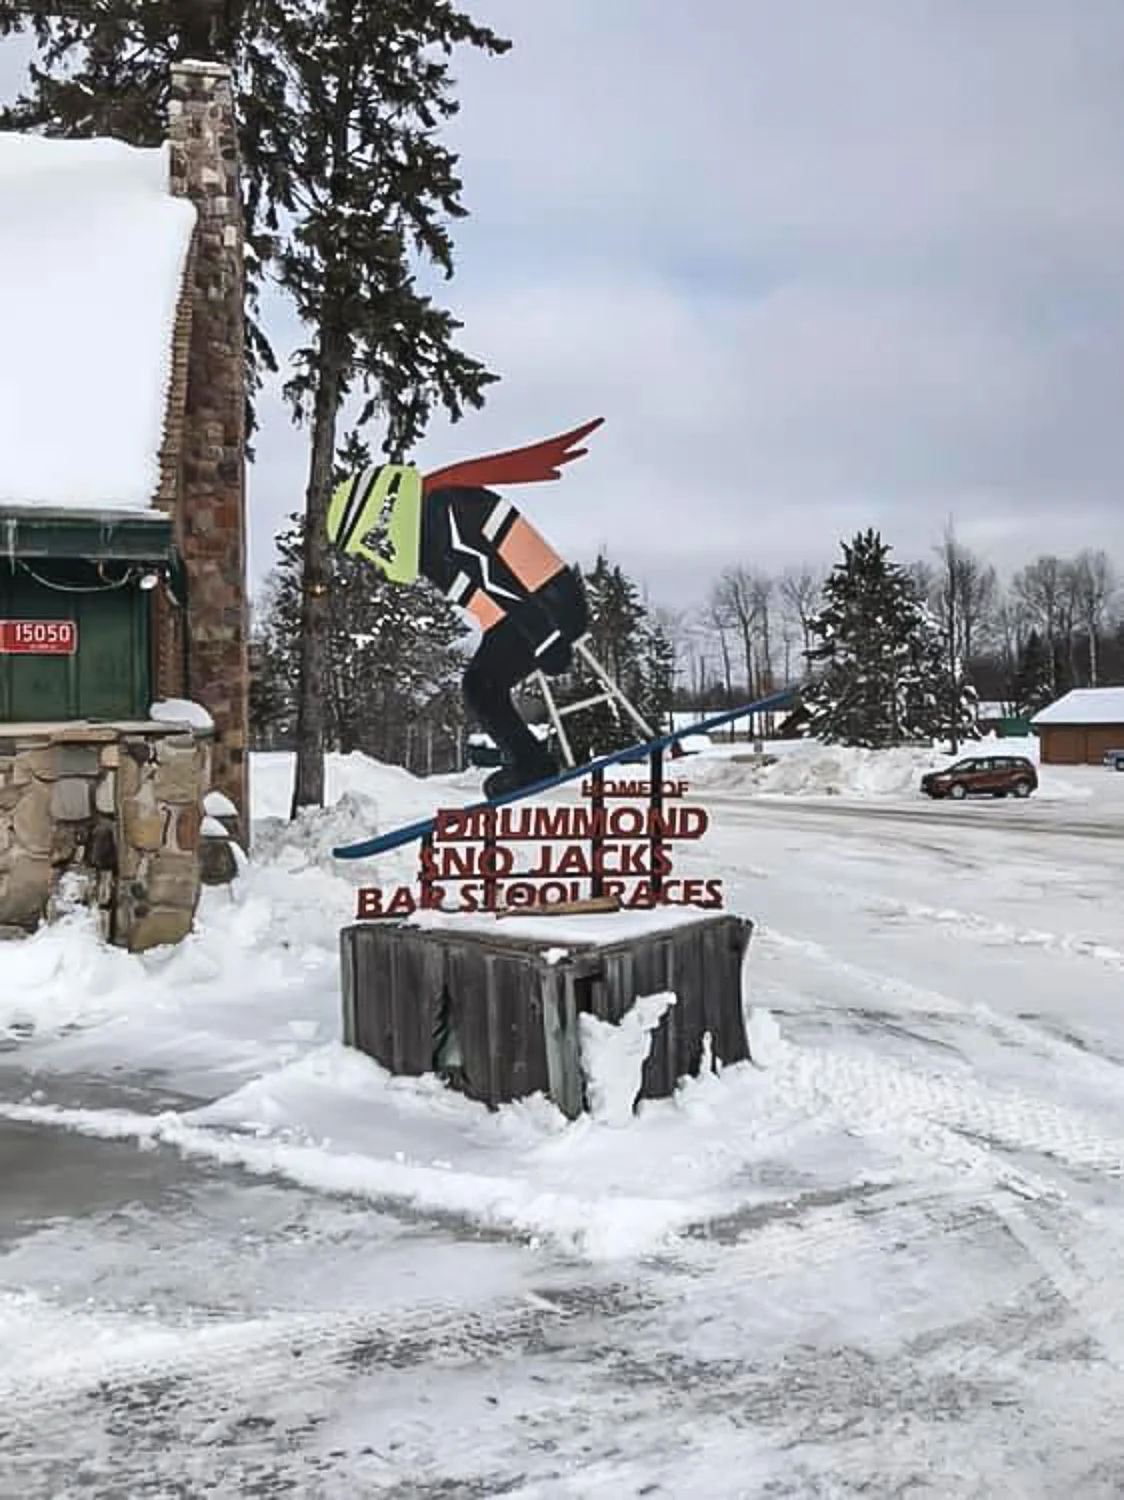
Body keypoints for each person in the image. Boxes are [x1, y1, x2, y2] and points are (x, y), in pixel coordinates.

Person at [326, 418, 603, 797]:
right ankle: (530, 762)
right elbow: (481, 596)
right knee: (479, 685)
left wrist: (545, 636)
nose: (377, 550)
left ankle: (531, 764)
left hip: (546, 603)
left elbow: (494, 575)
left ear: (385, 510)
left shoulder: (444, 508)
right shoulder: (426, 539)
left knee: (480, 685)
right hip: (522, 612)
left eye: (372, 535)